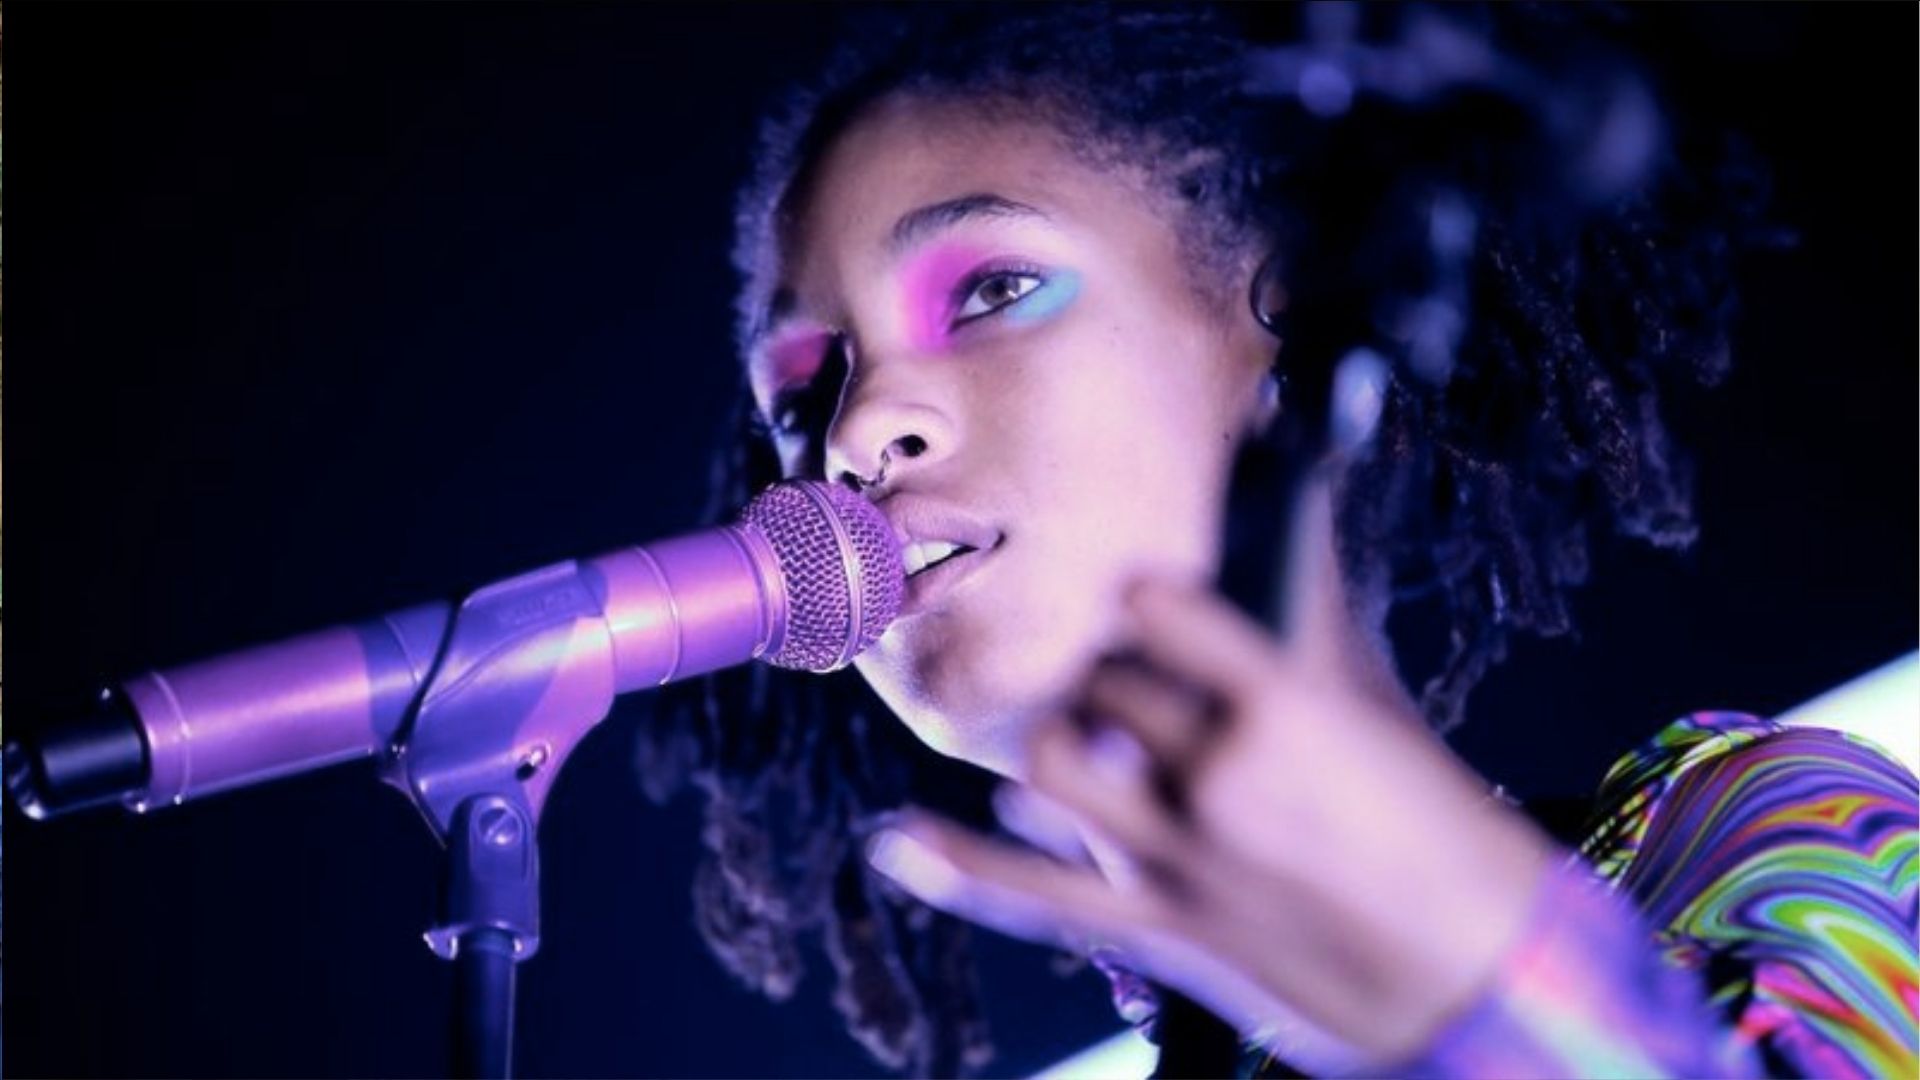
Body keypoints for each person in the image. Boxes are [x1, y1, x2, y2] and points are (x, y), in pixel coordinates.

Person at [637, 4, 1919, 1077]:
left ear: (1291, 338)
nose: (860, 430)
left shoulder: (1773, 833)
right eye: (801, 400)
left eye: (992, 290)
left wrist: (1486, 998)